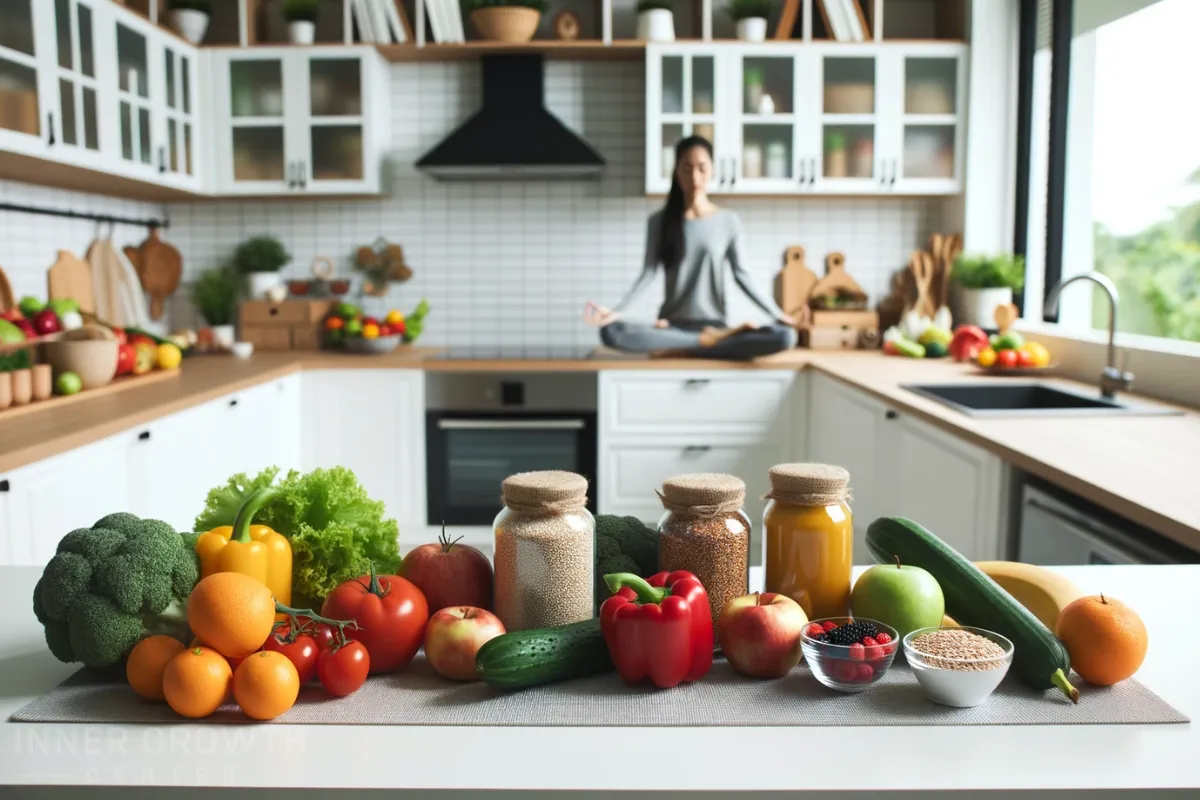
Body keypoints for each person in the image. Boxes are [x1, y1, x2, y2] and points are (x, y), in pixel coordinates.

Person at [584, 135, 799, 360]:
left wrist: (777, 314)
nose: (695, 176)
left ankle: (698, 343)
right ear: (677, 172)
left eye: (701, 168)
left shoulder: (728, 222)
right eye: (687, 168)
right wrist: (617, 310)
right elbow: (647, 274)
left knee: (785, 336)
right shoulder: (659, 222)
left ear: (712, 170)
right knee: (611, 332)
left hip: (715, 325)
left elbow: (742, 276)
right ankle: (708, 343)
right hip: (671, 328)